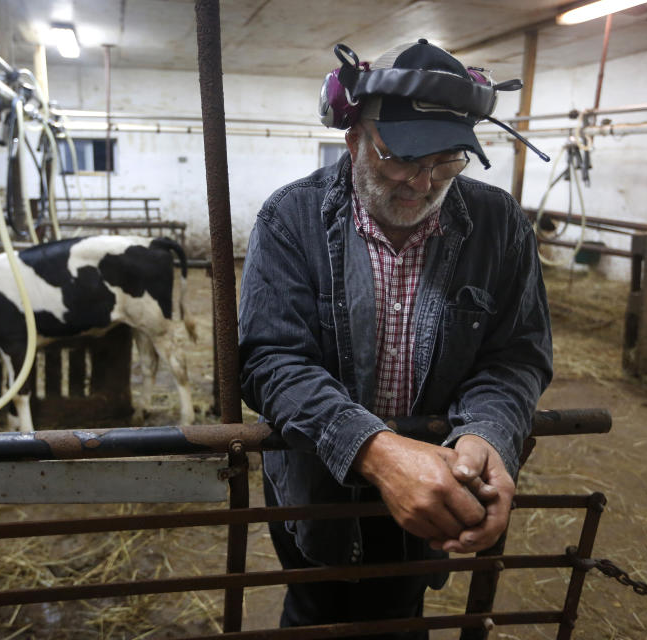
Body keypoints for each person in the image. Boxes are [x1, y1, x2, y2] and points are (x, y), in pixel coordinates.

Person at [238, 39, 553, 638]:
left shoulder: (500, 225)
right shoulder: (290, 220)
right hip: (317, 480)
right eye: (400, 157)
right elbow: (271, 360)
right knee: (313, 607)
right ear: (354, 136)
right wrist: (376, 451)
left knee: (399, 613)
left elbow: (516, 355)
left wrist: (488, 431)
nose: (422, 181)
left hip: (439, 479)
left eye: (446, 161)